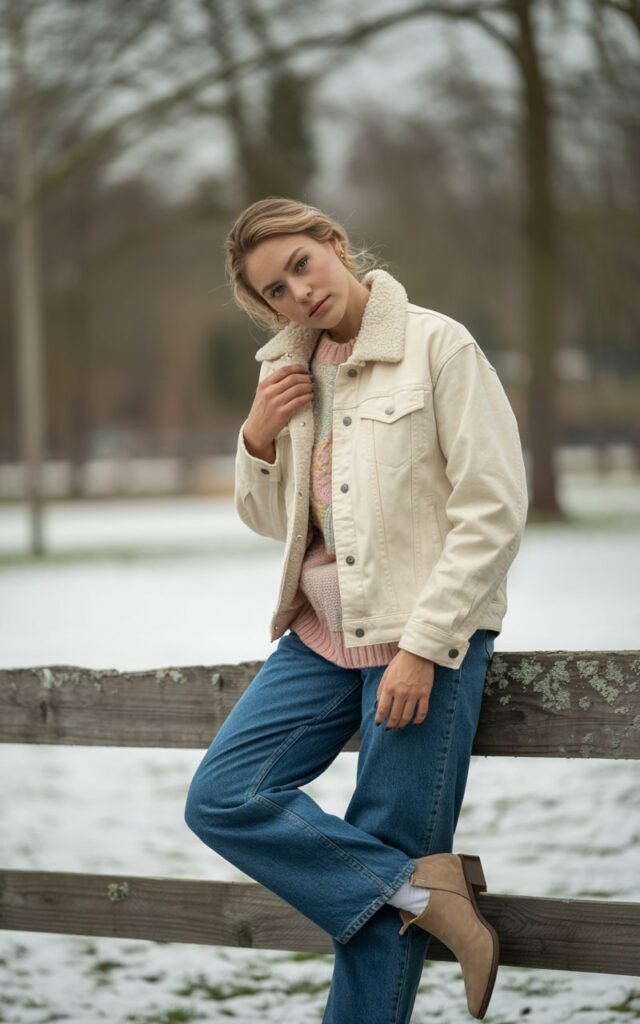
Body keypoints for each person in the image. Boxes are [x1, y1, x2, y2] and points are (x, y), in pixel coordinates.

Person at [184, 196, 528, 1022]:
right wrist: (258, 436)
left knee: (375, 903)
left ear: (334, 244)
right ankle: (422, 892)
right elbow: (273, 522)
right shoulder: (284, 375)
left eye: (301, 265)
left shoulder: (437, 346)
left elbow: (492, 510)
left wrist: (424, 646)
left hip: (423, 641)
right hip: (318, 639)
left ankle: (408, 892)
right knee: (222, 796)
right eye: (275, 289)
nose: (298, 292)